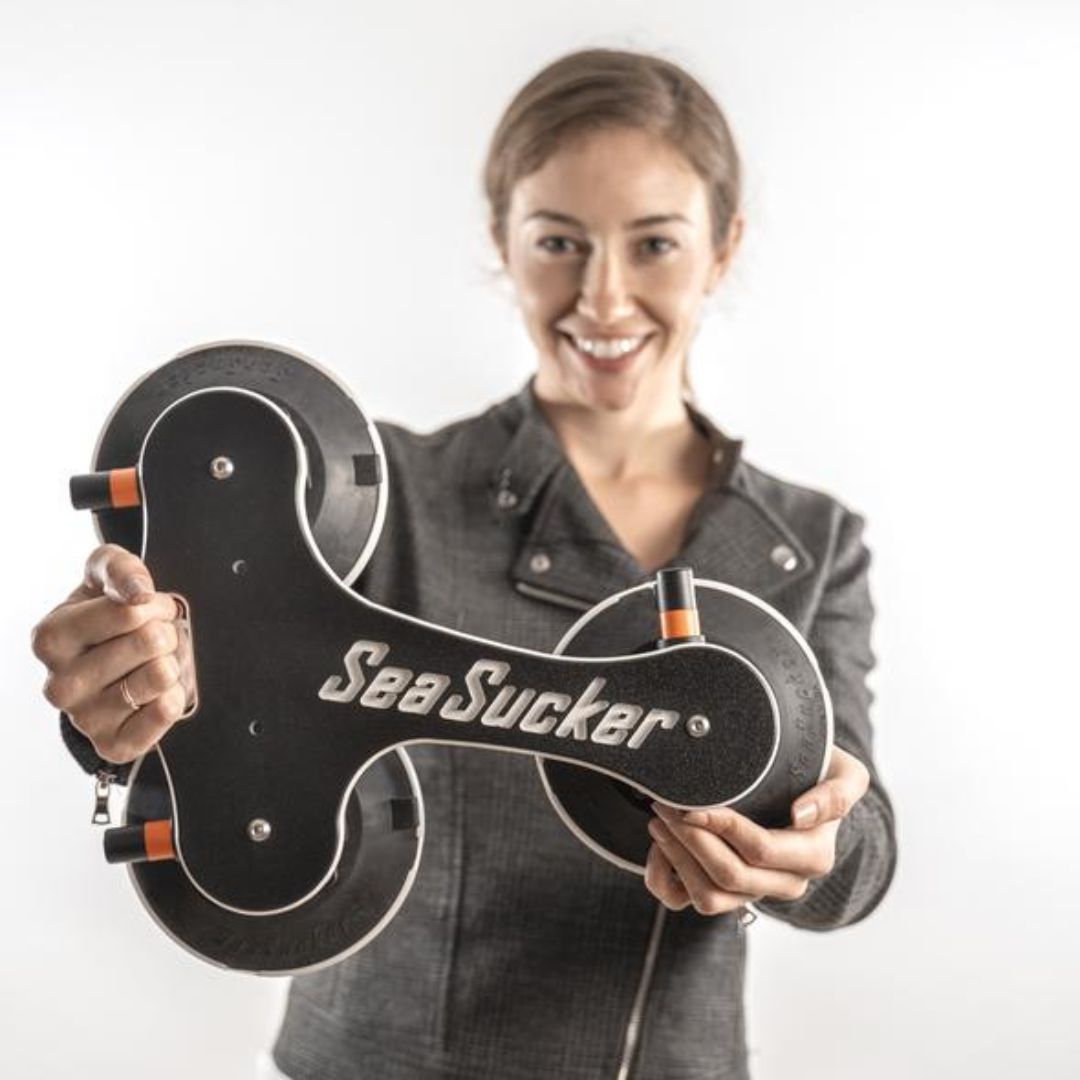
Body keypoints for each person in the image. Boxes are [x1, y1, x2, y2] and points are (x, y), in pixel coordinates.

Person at [31, 48, 897, 1080]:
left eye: (655, 243)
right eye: (559, 242)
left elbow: (863, 842)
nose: (605, 298)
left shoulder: (812, 540)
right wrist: (118, 687)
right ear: (503, 241)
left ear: (723, 248)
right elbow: (193, 718)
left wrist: (815, 851)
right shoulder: (384, 497)